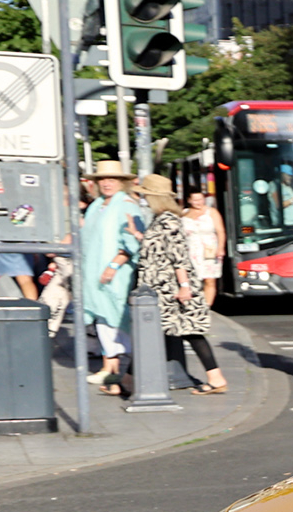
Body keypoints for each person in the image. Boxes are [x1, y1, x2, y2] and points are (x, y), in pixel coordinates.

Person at [131, 174, 228, 395]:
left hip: (170, 288)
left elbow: (178, 256)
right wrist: (138, 236)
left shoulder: (168, 220)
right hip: (161, 287)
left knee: (182, 331)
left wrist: (184, 286)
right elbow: (159, 248)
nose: (144, 199)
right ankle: (215, 378)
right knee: (161, 331)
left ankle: (216, 378)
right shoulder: (161, 219)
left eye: (146, 195)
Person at [80, 159, 143, 387]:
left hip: (115, 273)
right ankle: (110, 366)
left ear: (121, 182)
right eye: (102, 179)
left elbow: (132, 241)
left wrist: (114, 265)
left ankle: (132, 367)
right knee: (102, 318)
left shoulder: (126, 204)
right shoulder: (97, 205)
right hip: (93, 272)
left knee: (117, 315)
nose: (106, 183)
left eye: (111, 179)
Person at [184, 188, 226, 306]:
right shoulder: (184, 213)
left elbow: (220, 231)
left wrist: (221, 248)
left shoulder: (211, 212)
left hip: (209, 249)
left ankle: (207, 306)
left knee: (209, 279)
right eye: (195, 200)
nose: (199, 202)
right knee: (192, 279)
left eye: (201, 199)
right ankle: (193, 305)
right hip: (190, 249)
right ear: (189, 200)